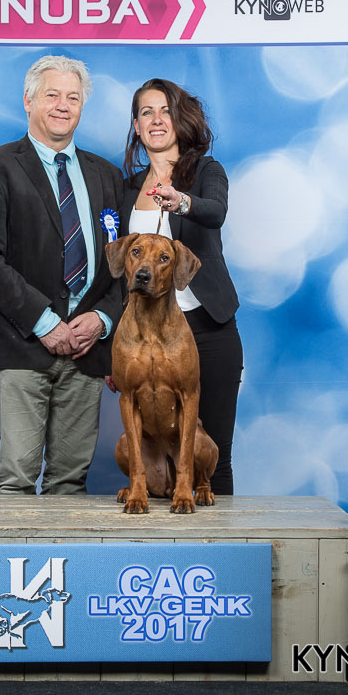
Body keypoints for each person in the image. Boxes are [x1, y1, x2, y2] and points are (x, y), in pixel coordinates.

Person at [0, 55, 123, 495]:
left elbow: (124, 264)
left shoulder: (107, 175)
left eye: (73, 97)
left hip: (88, 350)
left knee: (70, 481)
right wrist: (45, 322)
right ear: (28, 101)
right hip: (22, 344)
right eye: (52, 95)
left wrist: (103, 319)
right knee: (16, 479)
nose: (62, 105)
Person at [120, 78, 242, 495]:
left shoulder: (206, 171)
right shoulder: (127, 187)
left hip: (207, 328)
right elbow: (120, 262)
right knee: (151, 454)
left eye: (166, 111)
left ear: (180, 119)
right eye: (146, 112)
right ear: (136, 125)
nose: (156, 120)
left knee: (213, 457)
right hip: (141, 334)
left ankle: (219, 537)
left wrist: (182, 201)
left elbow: (216, 211)